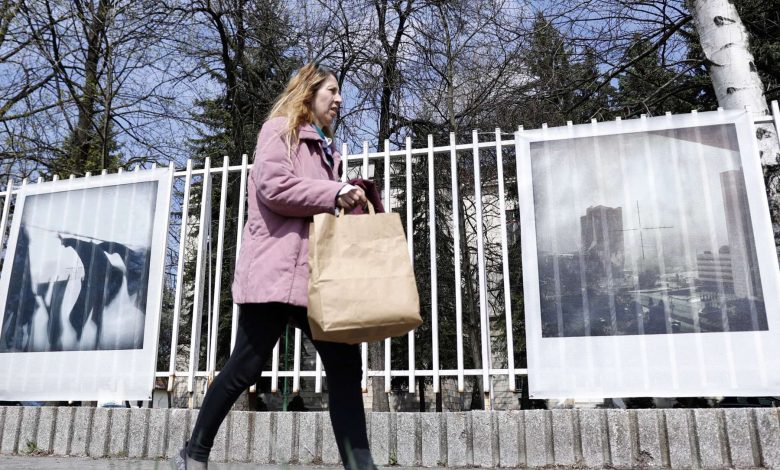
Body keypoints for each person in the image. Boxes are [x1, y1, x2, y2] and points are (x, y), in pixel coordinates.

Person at [174, 63, 375, 470]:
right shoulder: (279, 131)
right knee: (244, 367)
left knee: (344, 367)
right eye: (331, 91)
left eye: (340, 93)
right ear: (308, 93)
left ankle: (361, 466)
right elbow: (275, 188)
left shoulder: (328, 151)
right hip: (276, 274)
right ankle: (194, 454)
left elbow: (318, 203)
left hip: (314, 280)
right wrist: (333, 192)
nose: (339, 100)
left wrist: (347, 195)